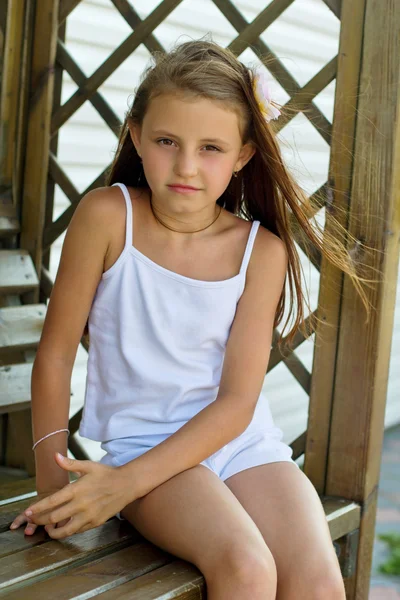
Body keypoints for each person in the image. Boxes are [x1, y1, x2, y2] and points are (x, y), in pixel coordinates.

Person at [10, 38, 373, 599]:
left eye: (210, 148)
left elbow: (236, 406)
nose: (185, 166)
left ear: (244, 155)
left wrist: (118, 489)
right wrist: (56, 488)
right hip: (146, 449)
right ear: (135, 135)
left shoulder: (262, 251)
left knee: (320, 585)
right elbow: (56, 355)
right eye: (166, 141)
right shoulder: (108, 217)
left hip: (243, 444)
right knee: (249, 568)